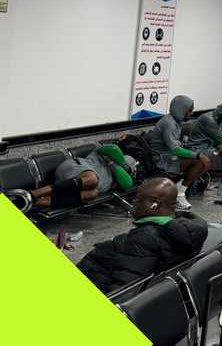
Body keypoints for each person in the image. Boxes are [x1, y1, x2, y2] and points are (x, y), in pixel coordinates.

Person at [77, 178, 208, 293]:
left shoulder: (145, 238)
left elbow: (125, 288)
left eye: (138, 201)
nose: (134, 205)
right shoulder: (190, 231)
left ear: (154, 204)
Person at [17, 144, 136, 211]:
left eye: (128, 171)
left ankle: (28, 205)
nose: (126, 171)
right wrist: (119, 163)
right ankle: (33, 193)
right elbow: (112, 149)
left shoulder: (116, 178)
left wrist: (114, 166)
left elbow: (127, 184)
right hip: (75, 168)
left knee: (92, 194)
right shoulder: (103, 154)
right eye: (127, 167)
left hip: (72, 186)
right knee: (93, 180)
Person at [145, 94, 208, 210]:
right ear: (181, 110)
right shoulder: (169, 123)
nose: (191, 113)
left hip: (169, 156)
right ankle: (179, 194)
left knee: (204, 161)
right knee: (199, 162)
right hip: (160, 160)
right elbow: (175, 149)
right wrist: (197, 155)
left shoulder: (176, 121)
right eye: (190, 110)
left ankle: (180, 188)